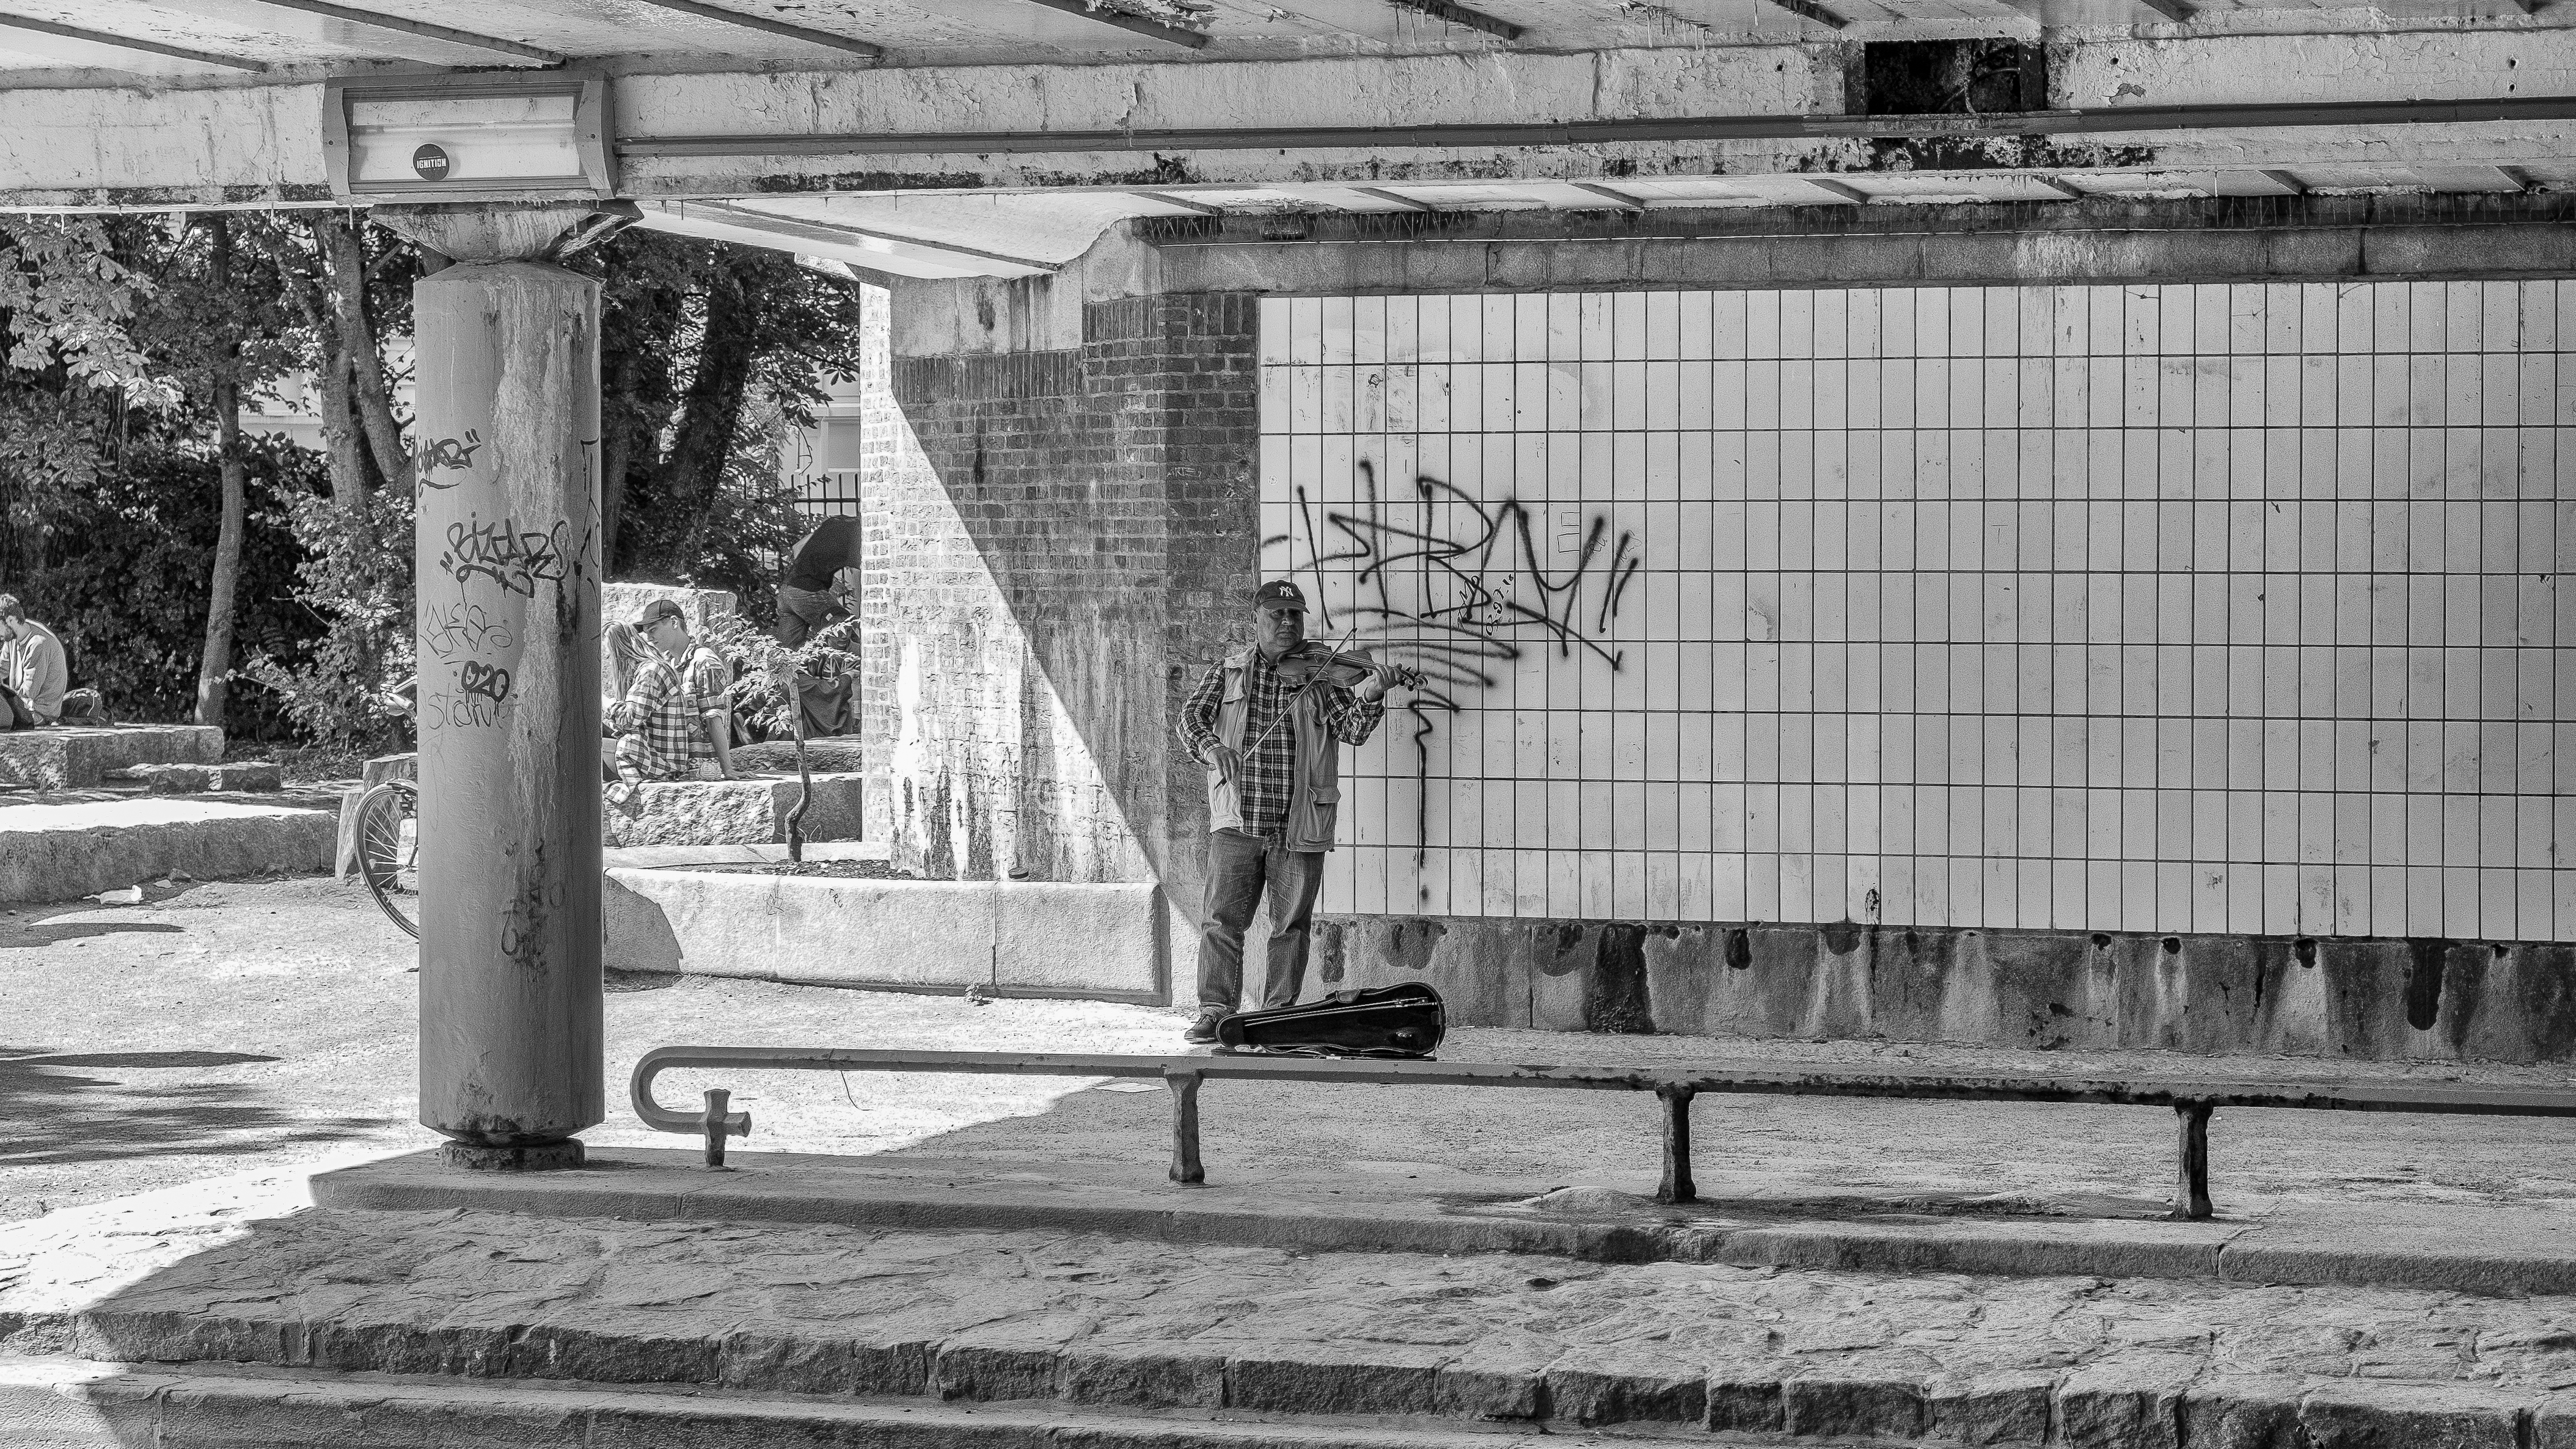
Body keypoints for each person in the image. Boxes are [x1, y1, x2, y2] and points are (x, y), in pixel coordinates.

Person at [1173, 580, 1405, 1044]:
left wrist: (1374, 694)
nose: (1287, 623)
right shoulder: (1230, 672)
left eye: (1295, 615)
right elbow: (1190, 719)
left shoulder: (1321, 676)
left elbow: (1353, 731)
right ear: (1256, 620)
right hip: (1238, 820)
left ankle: (1278, 1016)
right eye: (1277, 615)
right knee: (1222, 922)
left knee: (1291, 928)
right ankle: (1215, 1010)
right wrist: (1212, 745)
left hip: (1299, 822)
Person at [609, 600, 731, 795]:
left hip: (697, 769)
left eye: (653, 630)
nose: (649, 637)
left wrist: (728, 769)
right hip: (669, 765)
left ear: (674, 622)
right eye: (646, 633)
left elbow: (714, 718)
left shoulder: (705, 662)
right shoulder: (668, 663)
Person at [775, 514, 860, 647]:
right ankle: (860, 660)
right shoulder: (853, 531)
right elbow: (868, 563)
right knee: (842, 625)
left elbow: (797, 548)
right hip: (807, 592)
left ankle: (786, 666)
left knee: (789, 649)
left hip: (786, 592)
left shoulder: (827, 529)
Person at [0, 594, 68, 727]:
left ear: (11, 620)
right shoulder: (12, 636)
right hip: (22, 705)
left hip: (38, 713)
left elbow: (28, 693)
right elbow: (2, 669)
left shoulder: (39, 644)